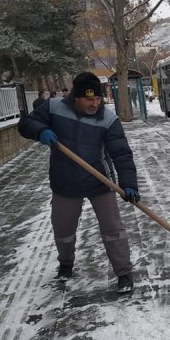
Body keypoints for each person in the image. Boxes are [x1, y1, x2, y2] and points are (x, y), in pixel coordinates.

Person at [17, 72, 139, 293]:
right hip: (65, 181)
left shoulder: (108, 119)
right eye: (89, 99)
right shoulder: (54, 107)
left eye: (98, 99)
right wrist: (40, 130)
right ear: (76, 97)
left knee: (113, 229)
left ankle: (124, 273)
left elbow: (121, 153)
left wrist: (129, 183)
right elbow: (26, 123)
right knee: (63, 229)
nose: (95, 104)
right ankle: (66, 263)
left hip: (99, 181)